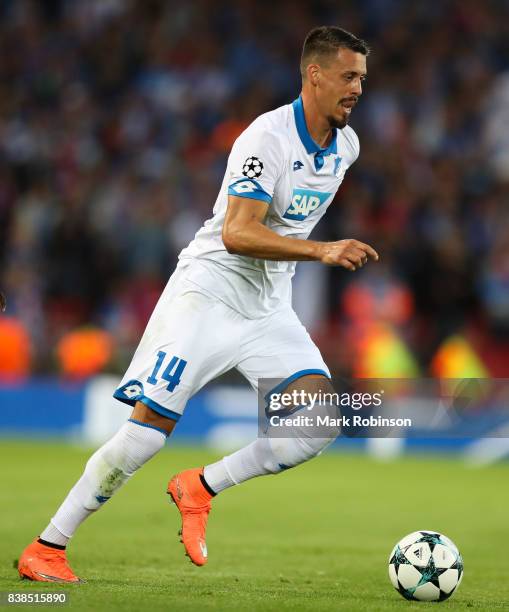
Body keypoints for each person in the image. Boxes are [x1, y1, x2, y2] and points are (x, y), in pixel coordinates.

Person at [18, 25, 377, 582]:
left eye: (362, 77)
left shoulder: (346, 147)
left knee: (318, 422)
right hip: (209, 293)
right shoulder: (266, 139)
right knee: (144, 433)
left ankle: (200, 486)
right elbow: (237, 232)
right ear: (314, 74)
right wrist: (321, 251)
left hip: (267, 307)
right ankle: (47, 546)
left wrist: (301, 261)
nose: (358, 87)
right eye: (349, 75)